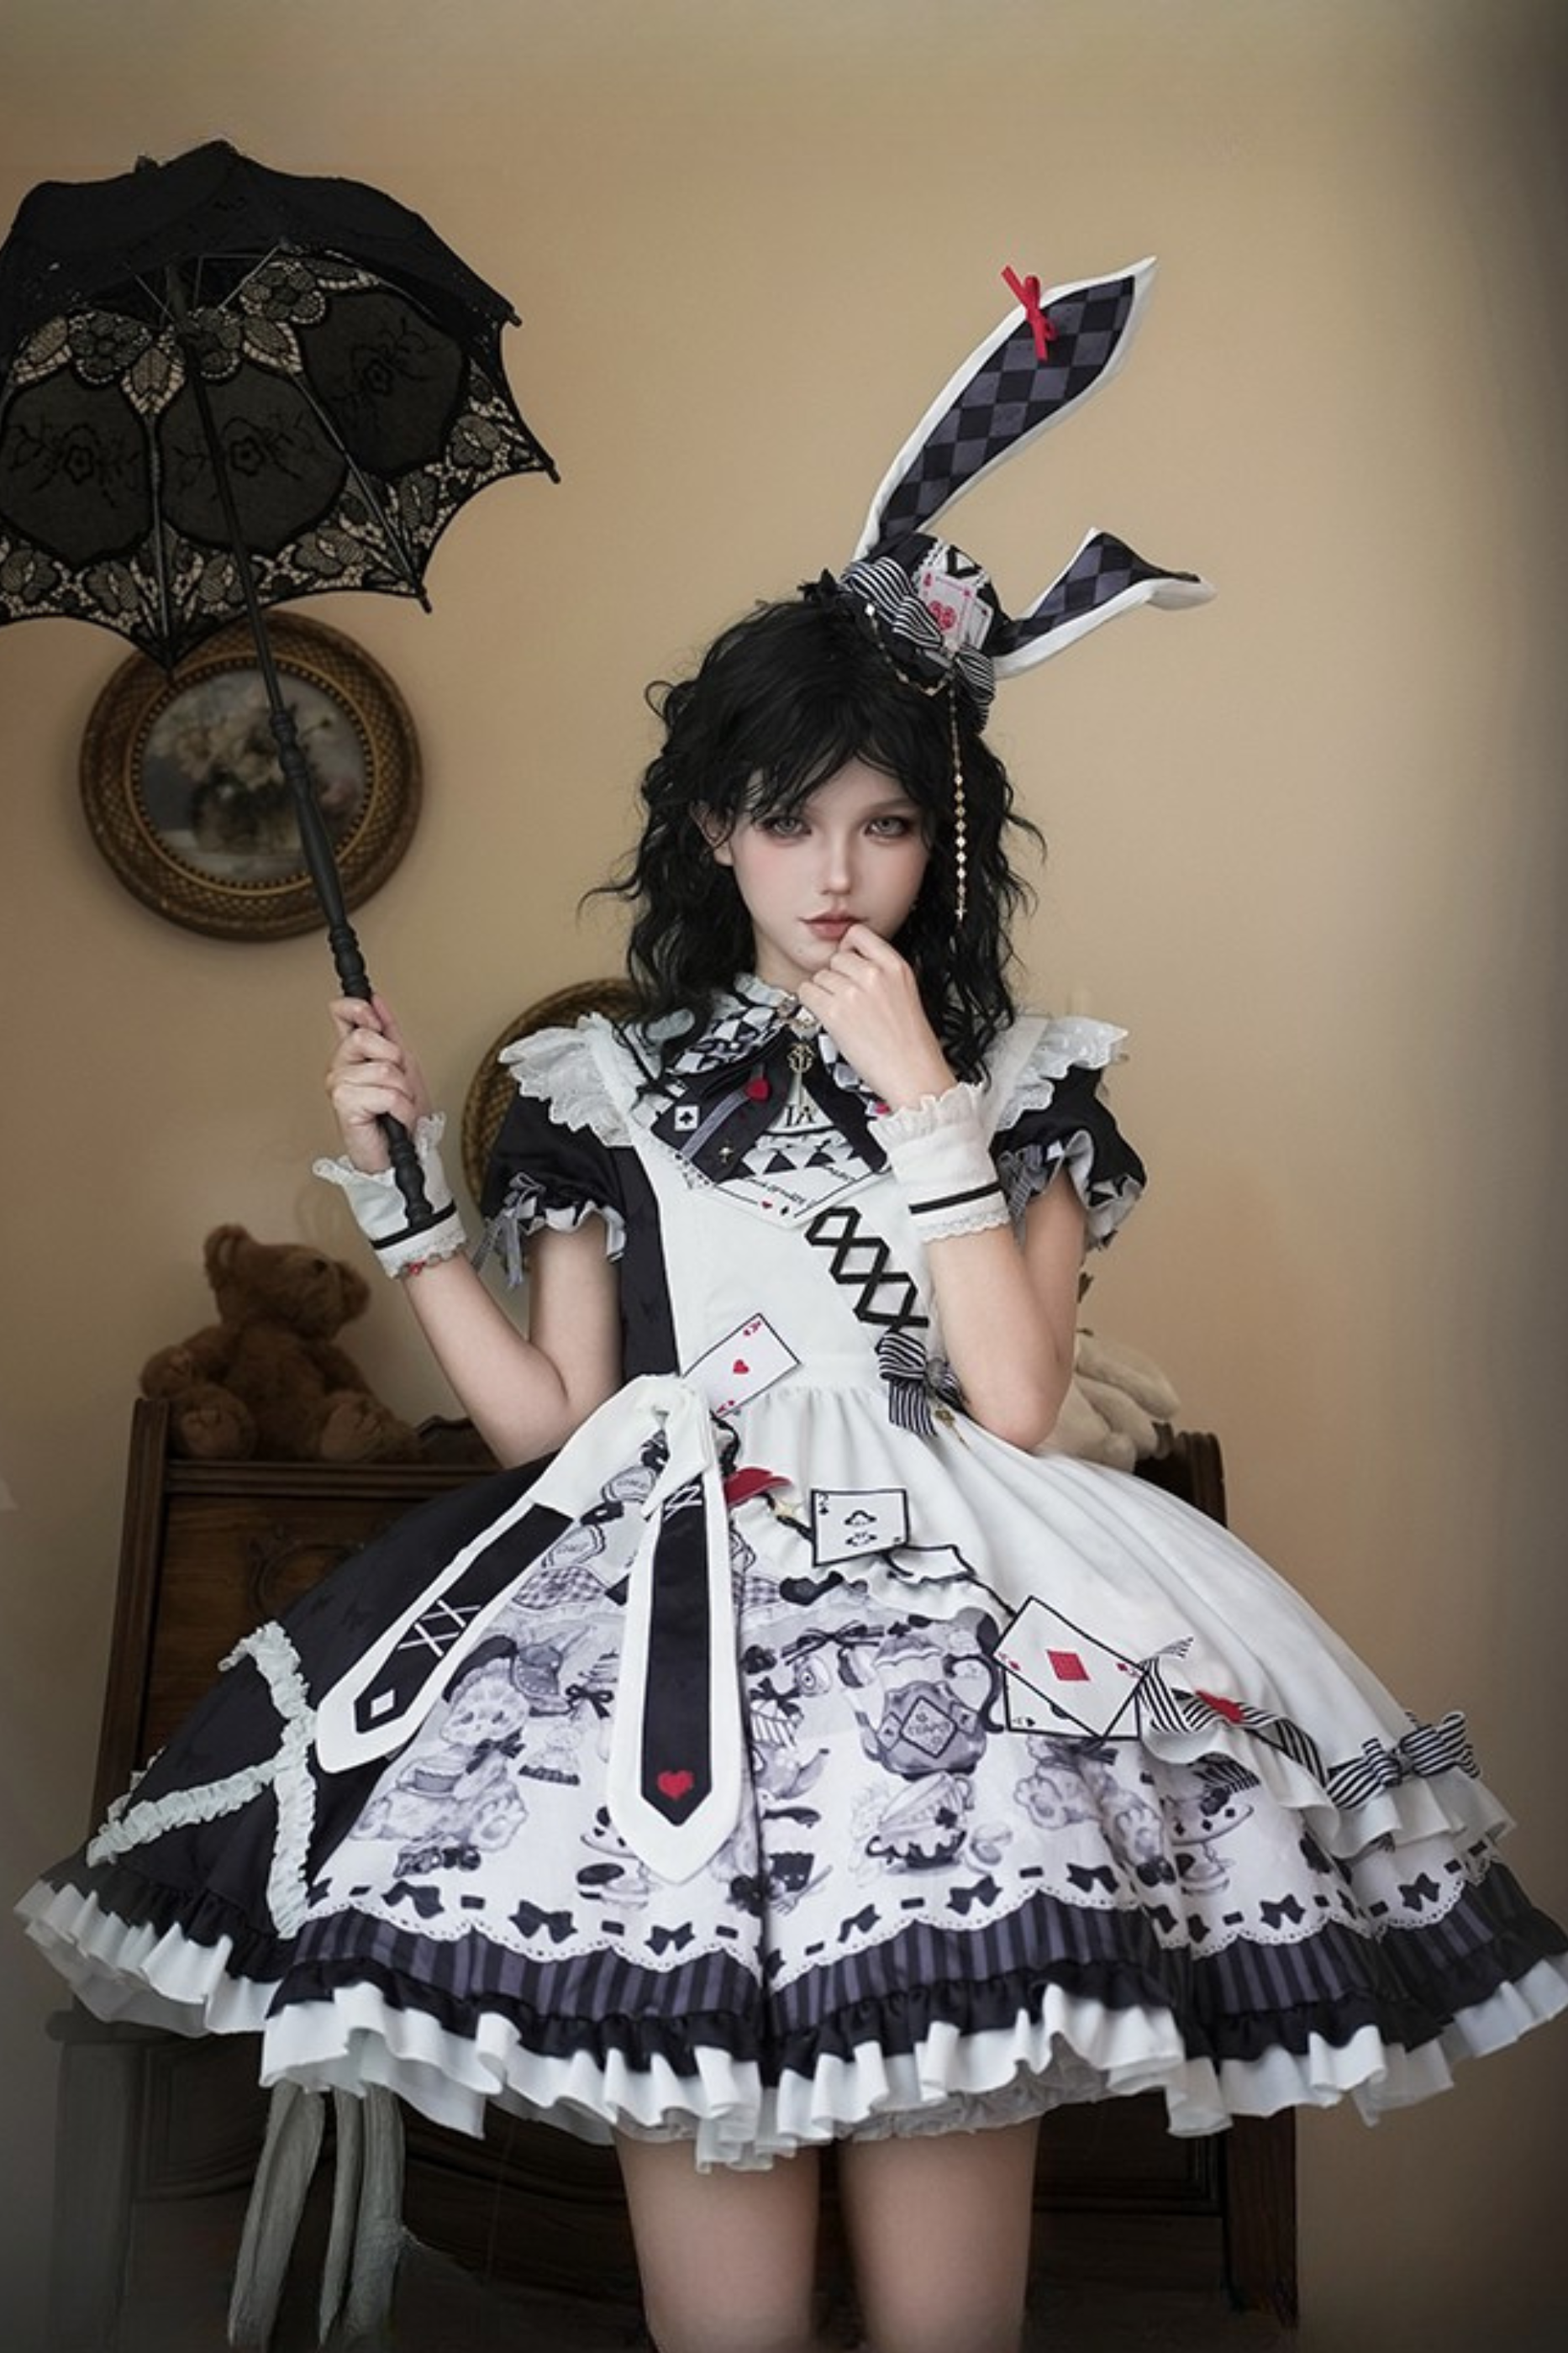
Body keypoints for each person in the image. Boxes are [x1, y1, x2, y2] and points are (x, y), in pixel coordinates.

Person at [21, 264, 1568, 2353]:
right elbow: (546, 1429)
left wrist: (930, 1096)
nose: (834, 869)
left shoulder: (1030, 1083)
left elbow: (1011, 1397)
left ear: (945, 834)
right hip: (661, 1661)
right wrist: (409, 1207)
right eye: (787, 818)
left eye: (885, 820)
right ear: (712, 828)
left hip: (974, 1670)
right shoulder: (598, 1087)